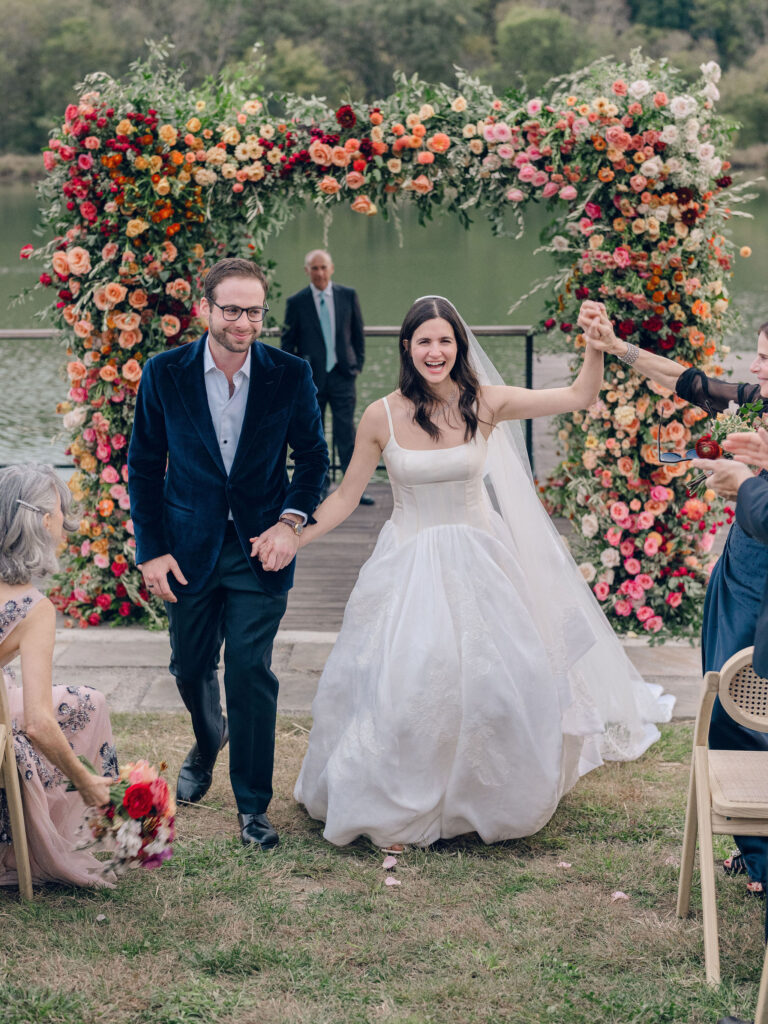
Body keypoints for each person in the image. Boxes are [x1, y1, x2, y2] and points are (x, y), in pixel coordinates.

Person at [253, 296, 673, 849]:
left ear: (460, 345)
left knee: (497, 684)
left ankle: (486, 796)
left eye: (445, 341)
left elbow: (578, 396)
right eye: (424, 341)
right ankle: (399, 796)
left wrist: (596, 347)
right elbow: (347, 496)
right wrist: (294, 534)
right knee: (409, 685)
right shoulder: (381, 415)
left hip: (483, 562)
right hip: (409, 566)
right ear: (407, 347)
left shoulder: (487, 403)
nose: (435, 351)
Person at [127, 257, 328, 850]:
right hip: (187, 548)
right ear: (205, 310)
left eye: (255, 311)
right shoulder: (164, 373)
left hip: (261, 547)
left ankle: (252, 807)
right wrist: (153, 550)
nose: (245, 322)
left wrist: (292, 523)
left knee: (248, 669)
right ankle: (207, 734)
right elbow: (143, 467)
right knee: (190, 667)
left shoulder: (289, 374)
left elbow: (313, 458)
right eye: (233, 310)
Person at [581, 301, 768, 896]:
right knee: (729, 699)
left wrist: (749, 483)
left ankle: (761, 858)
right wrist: (617, 348)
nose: (758, 367)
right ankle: (755, 848)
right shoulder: (761, 402)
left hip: (762, 579)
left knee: (751, 709)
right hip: (741, 569)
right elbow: (692, 384)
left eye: (767, 358)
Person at [0, 464, 118, 887]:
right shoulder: (32, 608)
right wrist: (84, 778)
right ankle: (24, 844)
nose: (66, 531)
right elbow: (37, 723)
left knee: (87, 701)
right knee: (67, 715)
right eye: (63, 519)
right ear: (45, 521)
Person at [282, 249, 374, 505]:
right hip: (311, 380)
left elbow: (358, 335)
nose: (320, 273)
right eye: (315, 268)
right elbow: (287, 344)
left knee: (347, 433)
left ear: (331, 268)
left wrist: (357, 366)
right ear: (307, 271)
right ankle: (319, 487)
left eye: (323, 267)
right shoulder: (296, 302)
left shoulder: (348, 295)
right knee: (316, 434)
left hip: (343, 376)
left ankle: (353, 488)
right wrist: (296, 377)